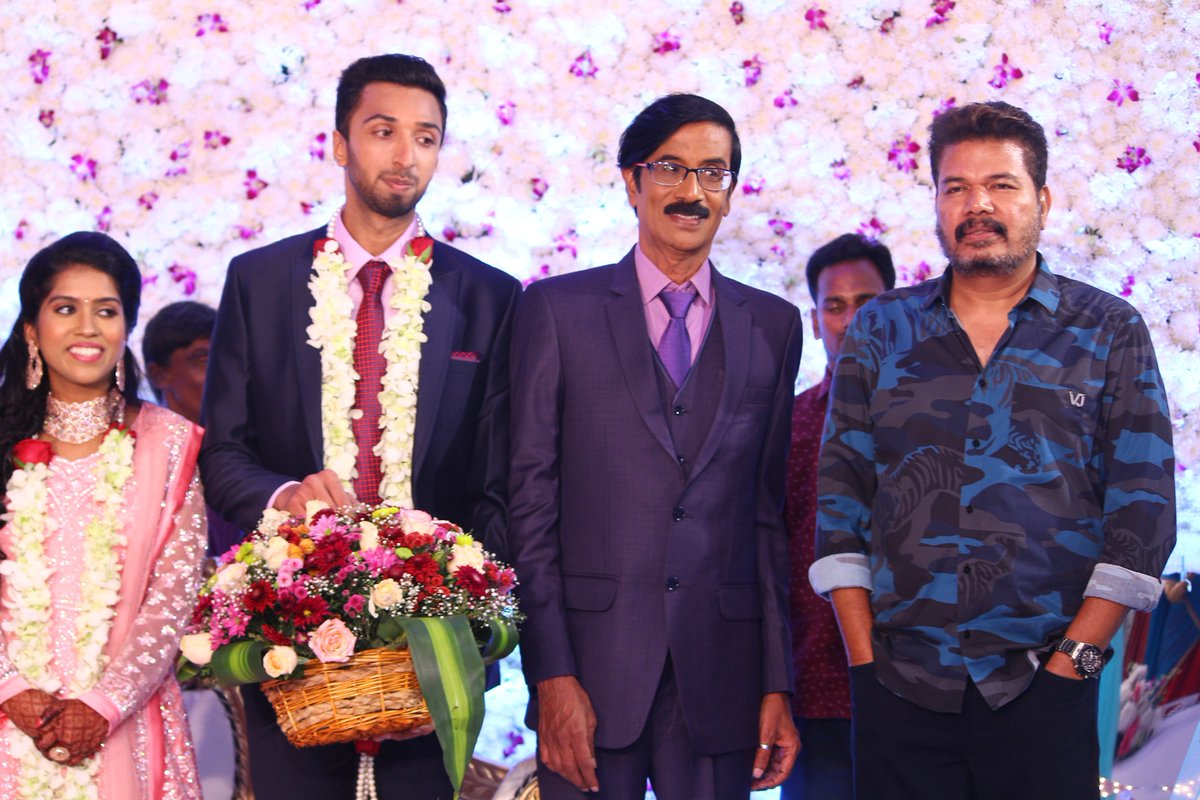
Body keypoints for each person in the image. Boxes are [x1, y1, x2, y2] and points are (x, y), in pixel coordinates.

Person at [811, 101, 1176, 799]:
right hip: (899, 689)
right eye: (956, 188)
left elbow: (1143, 516)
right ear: (938, 205)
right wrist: (864, 664)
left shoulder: (1106, 331)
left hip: (1046, 689)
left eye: (1001, 185)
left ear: (1042, 199)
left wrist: (1073, 665)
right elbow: (841, 502)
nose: (978, 205)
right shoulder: (881, 330)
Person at [200, 54, 520, 800]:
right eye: (383, 131)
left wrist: (460, 603)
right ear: (341, 143)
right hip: (290, 635)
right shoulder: (259, 282)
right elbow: (224, 452)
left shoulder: (490, 298)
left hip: (431, 648)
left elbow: (503, 477)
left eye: (426, 137)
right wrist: (283, 498)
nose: (406, 155)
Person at [507, 93, 803, 799]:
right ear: (631, 181)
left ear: (730, 194)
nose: (692, 191)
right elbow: (529, 504)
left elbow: (766, 516)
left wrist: (775, 682)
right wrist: (550, 674)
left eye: (714, 173)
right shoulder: (556, 312)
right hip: (589, 671)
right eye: (670, 168)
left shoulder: (774, 325)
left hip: (721, 679)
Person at [0, 231, 206, 798]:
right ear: (32, 331)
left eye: (106, 311)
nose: (87, 327)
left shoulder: (170, 444)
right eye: (65, 308)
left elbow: (173, 599)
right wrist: (10, 687)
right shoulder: (1, 440)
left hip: (128, 724)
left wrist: (103, 704)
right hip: (7, 721)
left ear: (126, 328)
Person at [779, 233, 894, 800]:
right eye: (835, 305)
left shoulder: (940, 415)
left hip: (921, 692)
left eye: (867, 303)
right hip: (816, 688)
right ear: (817, 317)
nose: (851, 320)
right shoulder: (791, 425)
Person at [142, 301, 214, 427]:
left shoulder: (251, 441)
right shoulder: (130, 444)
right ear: (159, 376)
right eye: (205, 361)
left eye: (226, 360)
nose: (224, 373)